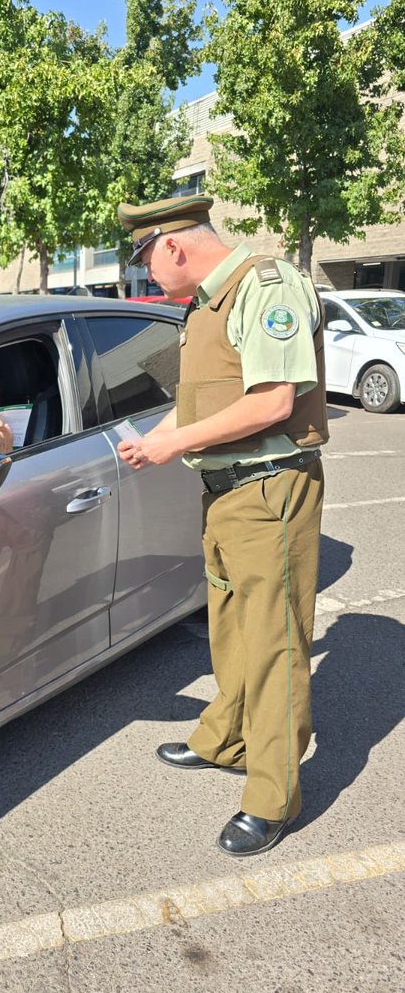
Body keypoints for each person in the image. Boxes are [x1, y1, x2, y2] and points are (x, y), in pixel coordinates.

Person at [116, 194, 328, 857]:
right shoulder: (206, 304)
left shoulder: (266, 287)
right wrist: (154, 438)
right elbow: (201, 401)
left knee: (274, 647)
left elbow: (273, 401)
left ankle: (271, 798)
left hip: (269, 489)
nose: (147, 274)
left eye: (146, 260)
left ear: (173, 245)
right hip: (226, 492)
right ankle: (227, 740)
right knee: (232, 630)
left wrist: (172, 445)